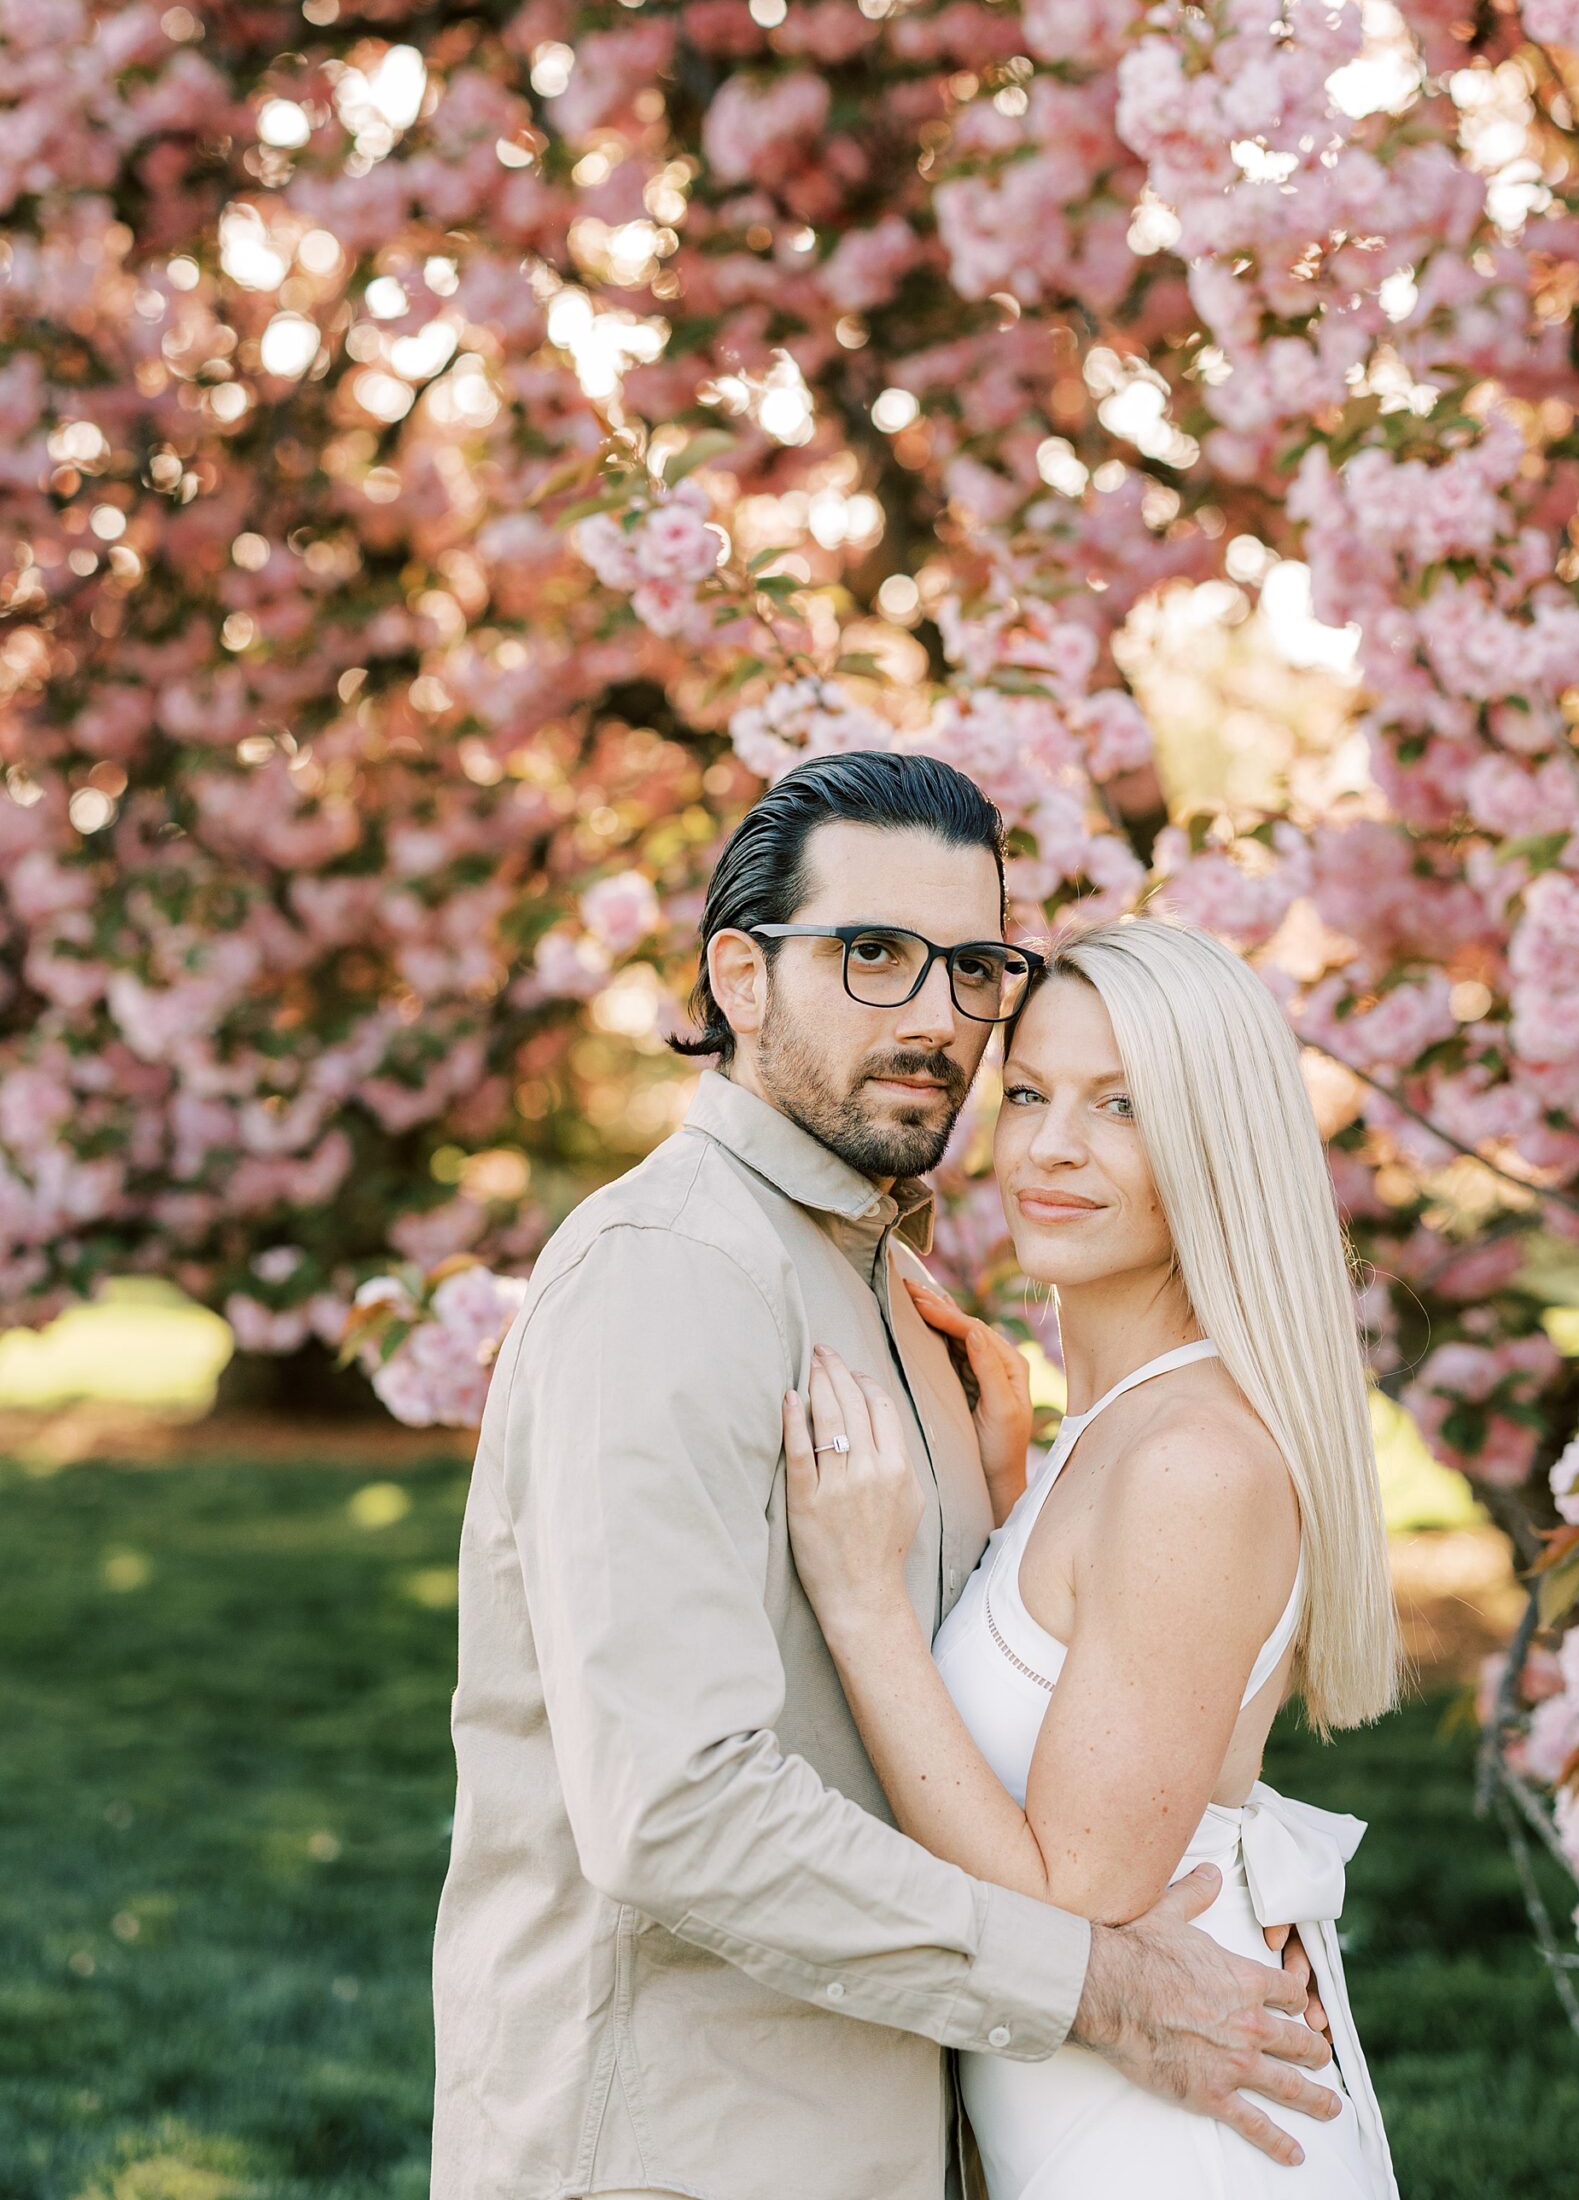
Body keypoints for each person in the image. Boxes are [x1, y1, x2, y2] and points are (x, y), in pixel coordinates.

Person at [431, 751, 1342, 2200]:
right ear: (740, 976)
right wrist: (1100, 1986)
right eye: (870, 956)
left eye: (968, 966)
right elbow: (675, 1811)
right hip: (686, 2147)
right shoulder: (671, 1279)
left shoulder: (896, 1299)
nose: (935, 1018)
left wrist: (1238, 1886)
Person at [783, 913, 1403, 2198]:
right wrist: (1013, 1481)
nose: (1050, 1147)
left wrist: (862, 1596)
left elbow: (1075, 1894)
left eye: (1121, 1103)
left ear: (1215, 1142)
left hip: (1177, 2150)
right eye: (1028, 1093)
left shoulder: (1194, 1463)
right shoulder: (1113, 1436)